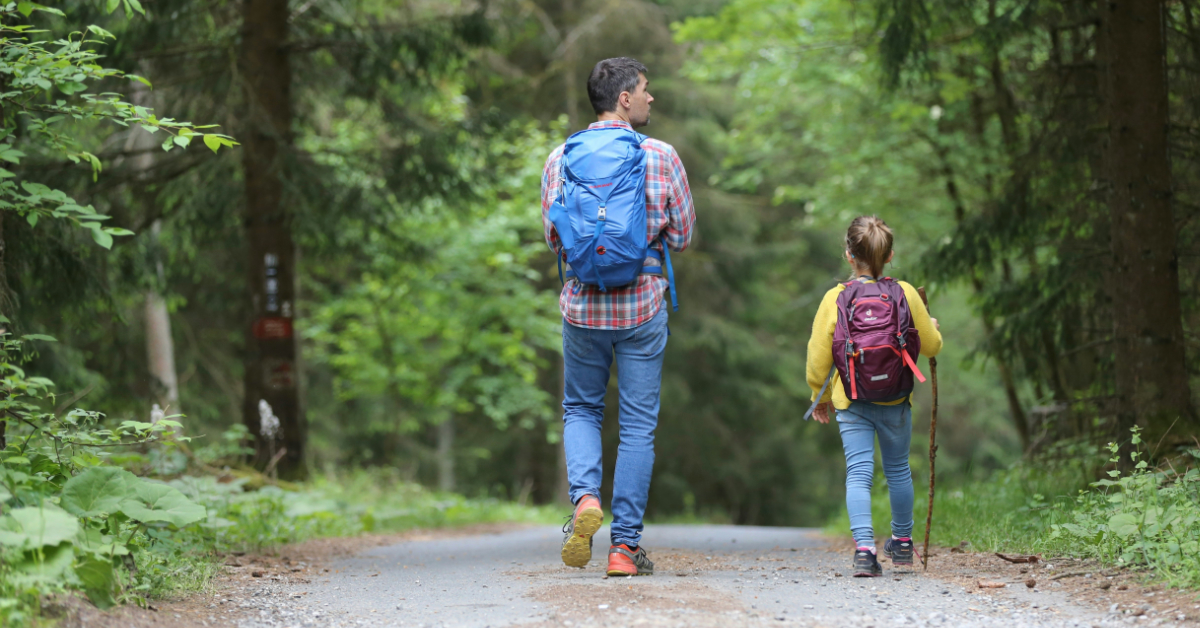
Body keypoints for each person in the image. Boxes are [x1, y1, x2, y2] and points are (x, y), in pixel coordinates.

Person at [540, 57, 695, 577]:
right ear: (624, 98)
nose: (652, 99)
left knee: (581, 409)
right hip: (642, 306)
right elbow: (684, 235)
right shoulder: (661, 155)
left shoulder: (560, 158)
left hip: (582, 306)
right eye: (646, 90)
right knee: (637, 427)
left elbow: (553, 237)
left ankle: (585, 499)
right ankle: (624, 549)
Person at [806, 216, 942, 577]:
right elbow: (930, 345)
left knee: (858, 473)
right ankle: (901, 545)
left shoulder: (835, 297)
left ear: (848, 255)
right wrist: (933, 327)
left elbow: (818, 356)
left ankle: (865, 551)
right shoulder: (905, 293)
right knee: (898, 471)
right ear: (890, 255)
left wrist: (817, 396)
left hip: (851, 401)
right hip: (895, 400)